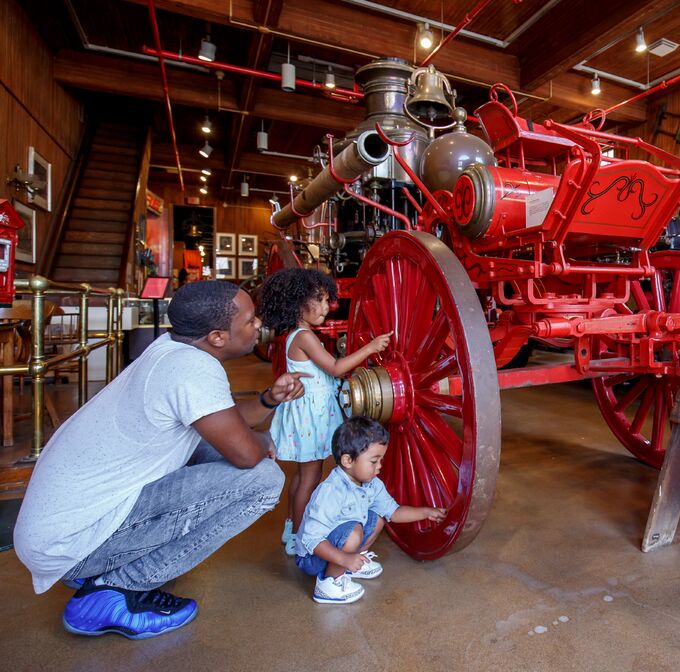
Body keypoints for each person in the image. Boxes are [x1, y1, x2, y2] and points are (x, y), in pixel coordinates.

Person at [14, 280, 308, 640]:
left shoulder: (171, 348)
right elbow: (246, 454)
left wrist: (268, 400)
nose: (258, 325)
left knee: (214, 448)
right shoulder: (193, 370)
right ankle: (116, 589)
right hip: (69, 543)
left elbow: (226, 426)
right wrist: (264, 443)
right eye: (249, 321)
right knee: (263, 480)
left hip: (56, 531)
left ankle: (105, 568)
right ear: (217, 336)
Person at [257, 268, 391, 556]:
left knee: (302, 476)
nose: (327, 306)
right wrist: (370, 348)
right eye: (319, 299)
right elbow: (334, 368)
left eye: (327, 299)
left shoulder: (297, 334)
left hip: (308, 414)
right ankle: (301, 537)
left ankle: (291, 527)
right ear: (297, 304)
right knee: (311, 477)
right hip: (312, 419)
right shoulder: (304, 336)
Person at [294, 416, 446, 604]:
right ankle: (329, 583)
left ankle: (353, 563)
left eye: (381, 460)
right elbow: (311, 539)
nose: (380, 467)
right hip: (311, 557)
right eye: (374, 461)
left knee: (379, 516)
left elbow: (393, 512)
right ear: (348, 461)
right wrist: (343, 558)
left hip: (337, 547)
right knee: (353, 532)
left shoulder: (372, 484)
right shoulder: (331, 491)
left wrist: (425, 512)